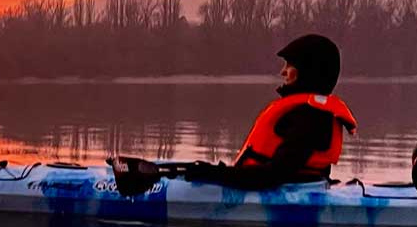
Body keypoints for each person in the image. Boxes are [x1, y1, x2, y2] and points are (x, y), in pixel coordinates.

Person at [133, 34, 358, 191]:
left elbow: (273, 176)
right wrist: (213, 172)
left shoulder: (310, 118)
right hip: (298, 188)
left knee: (203, 171)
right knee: (197, 169)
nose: (282, 72)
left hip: (288, 195)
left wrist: (213, 175)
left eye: (288, 65)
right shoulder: (307, 113)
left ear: (306, 71)